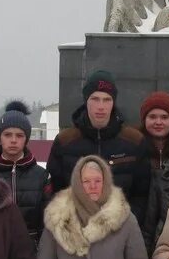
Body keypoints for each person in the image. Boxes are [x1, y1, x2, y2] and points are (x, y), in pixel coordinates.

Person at [47, 70, 152, 223]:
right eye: (95, 99)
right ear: (86, 101)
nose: (101, 106)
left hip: (120, 231)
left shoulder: (134, 141)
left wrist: (124, 227)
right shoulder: (65, 141)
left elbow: (141, 195)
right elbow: (56, 192)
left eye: (107, 99)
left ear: (113, 102)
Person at [0, 100, 53, 246]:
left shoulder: (41, 176)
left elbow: (47, 223)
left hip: (30, 250)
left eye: (19, 135)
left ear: (26, 139)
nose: (13, 140)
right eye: (7, 135)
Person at [139, 91, 169, 170]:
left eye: (164, 117)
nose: (158, 122)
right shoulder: (133, 146)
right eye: (152, 117)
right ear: (144, 120)